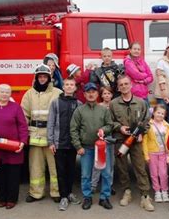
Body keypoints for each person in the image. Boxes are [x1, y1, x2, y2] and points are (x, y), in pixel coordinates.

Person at [109, 75, 154, 212]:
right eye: (121, 84)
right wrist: (119, 127)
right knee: (122, 168)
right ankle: (127, 192)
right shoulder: (113, 104)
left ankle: (145, 196)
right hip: (121, 140)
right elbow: (110, 121)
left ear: (131, 85)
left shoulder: (141, 103)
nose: (124, 86)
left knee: (140, 168)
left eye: (126, 83)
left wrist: (141, 133)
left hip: (136, 141)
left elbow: (147, 122)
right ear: (118, 87)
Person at [21, 64, 62, 203]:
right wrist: (23, 134)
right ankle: (36, 193)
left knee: (54, 166)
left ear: (49, 77)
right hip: (35, 136)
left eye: (45, 76)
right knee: (35, 167)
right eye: (40, 76)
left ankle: (56, 192)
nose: (42, 78)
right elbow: (24, 115)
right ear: (36, 77)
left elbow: (61, 115)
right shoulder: (29, 94)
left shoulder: (57, 93)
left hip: (52, 137)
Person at [70, 83, 114, 210]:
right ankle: (87, 197)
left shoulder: (103, 110)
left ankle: (104, 198)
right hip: (86, 148)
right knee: (85, 175)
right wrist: (78, 146)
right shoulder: (79, 110)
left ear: (97, 94)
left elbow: (110, 125)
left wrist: (103, 130)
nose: (91, 94)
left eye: (93, 91)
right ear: (84, 95)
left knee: (106, 174)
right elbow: (73, 129)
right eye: (88, 92)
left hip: (101, 148)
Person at [48, 77, 82, 211]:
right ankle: (63, 197)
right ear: (63, 87)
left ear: (75, 88)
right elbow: (51, 122)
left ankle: (69, 193)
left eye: (71, 85)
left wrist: (79, 142)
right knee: (60, 171)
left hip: (72, 143)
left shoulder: (78, 103)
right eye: (66, 84)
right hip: (59, 143)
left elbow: (80, 124)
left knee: (71, 170)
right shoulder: (56, 103)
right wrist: (51, 141)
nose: (69, 87)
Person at [142, 104, 169, 203]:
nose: (160, 115)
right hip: (152, 152)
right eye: (158, 112)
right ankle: (157, 191)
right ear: (153, 113)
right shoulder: (148, 125)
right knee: (154, 174)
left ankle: (164, 191)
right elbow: (144, 141)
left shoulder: (167, 126)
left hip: (163, 153)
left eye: (163, 113)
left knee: (163, 173)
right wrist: (146, 155)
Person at [91, 86, 116, 195]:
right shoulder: (98, 107)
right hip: (100, 139)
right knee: (97, 163)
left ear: (112, 95)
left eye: (109, 93)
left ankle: (109, 185)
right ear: (101, 95)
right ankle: (93, 185)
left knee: (110, 163)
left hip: (110, 138)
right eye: (104, 93)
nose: (107, 95)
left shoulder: (114, 106)